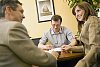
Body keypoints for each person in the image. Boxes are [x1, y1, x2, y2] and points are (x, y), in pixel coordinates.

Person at [0, 0, 59, 67]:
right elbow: (39, 58)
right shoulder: (13, 27)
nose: (23, 16)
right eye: (21, 12)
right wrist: (53, 56)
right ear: (9, 10)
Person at [62, 2, 100, 67]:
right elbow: (87, 47)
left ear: (86, 9)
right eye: (75, 13)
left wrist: (81, 64)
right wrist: (70, 48)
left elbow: (96, 48)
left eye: (78, 11)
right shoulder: (86, 23)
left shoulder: (93, 20)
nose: (76, 15)